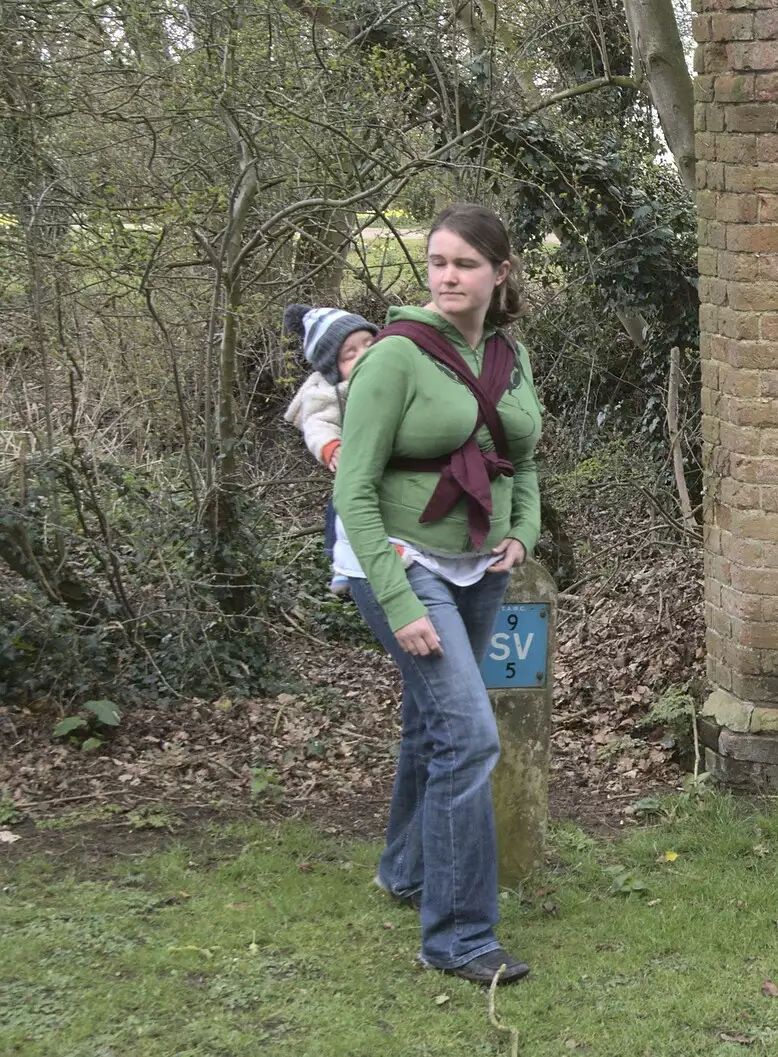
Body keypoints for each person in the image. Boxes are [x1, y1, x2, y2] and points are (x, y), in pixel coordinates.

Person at [333, 203, 543, 985]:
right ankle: (456, 935)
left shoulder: (507, 355)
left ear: (500, 272)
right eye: (438, 263)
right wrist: (401, 603)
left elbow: (522, 453)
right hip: (399, 559)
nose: (448, 276)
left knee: (433, 729)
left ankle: (405, 869)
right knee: (471, 738)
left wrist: (523, 530)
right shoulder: (395, 356)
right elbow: (352, 491)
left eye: (464, 263)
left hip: (479, 561)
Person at [281, 304, 379, 596]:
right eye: (350, 353)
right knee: (345, 510)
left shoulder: (390, 372)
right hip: (354, 461)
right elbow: (317, 424)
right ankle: (343, 568)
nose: (364, 354)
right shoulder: (328, 391)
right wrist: (330, 447)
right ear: (333, 368)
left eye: (369, 344)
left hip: (390, 459)